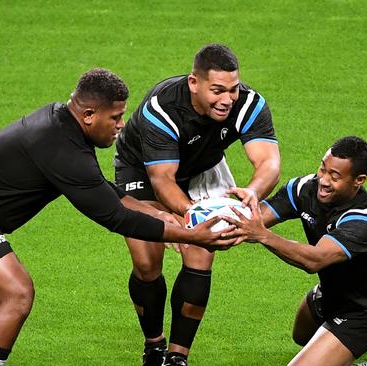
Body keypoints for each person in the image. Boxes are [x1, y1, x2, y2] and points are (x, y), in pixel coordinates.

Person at [0, 68, 237, 366]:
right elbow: (115, 217)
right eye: (116, 117)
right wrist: (191, 236)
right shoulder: (59, 146)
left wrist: (164, 214)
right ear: (89, 114)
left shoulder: (64, 127)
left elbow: (105, 190)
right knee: (15, 292)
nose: (122, 125)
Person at [113, 44, 280, 366]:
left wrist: (254, 191)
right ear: (194, 83)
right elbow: (162, 180)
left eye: (233, 89)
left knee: (200, 255)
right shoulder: (162, 109)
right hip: (143, 169)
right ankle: (154, 345)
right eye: (217, 90)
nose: (227, 99)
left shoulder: (249, 104)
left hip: (204, 168)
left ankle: (178, 357)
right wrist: (189, 217)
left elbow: (269, 162)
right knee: (147, 261)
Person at [225, 136, 367, 366]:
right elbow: (255, 219)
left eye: (335, 177)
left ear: (359, 180)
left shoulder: (364, 219)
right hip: (330, 294)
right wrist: (215, 220)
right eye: (323, 169)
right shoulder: (306, 188)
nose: (323, 180)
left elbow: (314, 260)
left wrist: (262, 234)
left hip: (365, 312)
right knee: (301, 336)